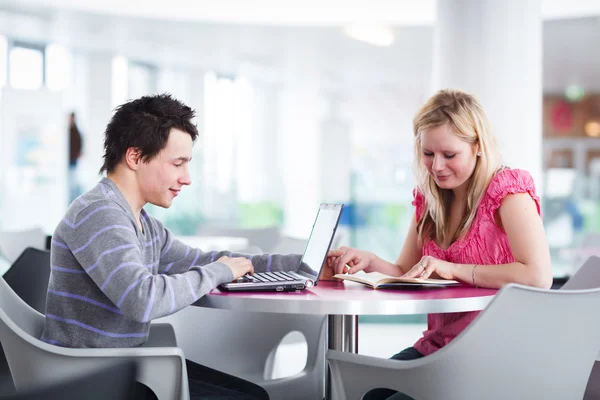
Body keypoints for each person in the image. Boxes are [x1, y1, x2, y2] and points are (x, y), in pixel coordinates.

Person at [42, 94, 304, 400]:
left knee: (251, 393)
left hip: (123, 365)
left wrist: (303, 265)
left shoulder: (142, 221)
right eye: (177, 164)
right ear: (135, 157)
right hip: (88, 378)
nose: (187, 179)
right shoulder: (100, 213)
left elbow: (204, 260)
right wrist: (218, 271)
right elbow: (143, 299)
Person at [326, 89, 553, 400]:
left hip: (494, 354)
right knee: (367, 393)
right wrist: (369, 259)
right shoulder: (430, 199)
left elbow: (538, 276)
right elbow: (405, 270)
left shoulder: (507, 191)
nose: (437, 167)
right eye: (428, 153)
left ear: (477, 147)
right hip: (440, 347)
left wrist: (452, 269)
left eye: (449, 155)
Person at [68, 111, 84, 203]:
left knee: (73, 179)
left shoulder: (76, 131)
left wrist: (78, 154)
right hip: (68, 159)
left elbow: (79, 142)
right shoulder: (67, 130)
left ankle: (72, 198)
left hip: (73, 159)